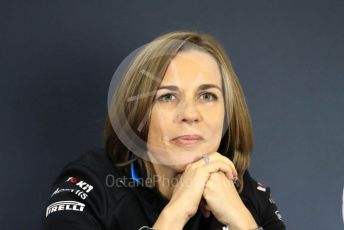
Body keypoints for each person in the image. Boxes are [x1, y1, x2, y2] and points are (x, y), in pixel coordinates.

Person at [42, 31, 286, 230]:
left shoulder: (247, 196)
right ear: (138, 113)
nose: (190, 114)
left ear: (228, 113)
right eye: (168, 96)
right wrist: (176, 213)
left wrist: (242, 223)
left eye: (207, 95)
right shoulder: (89, 187)